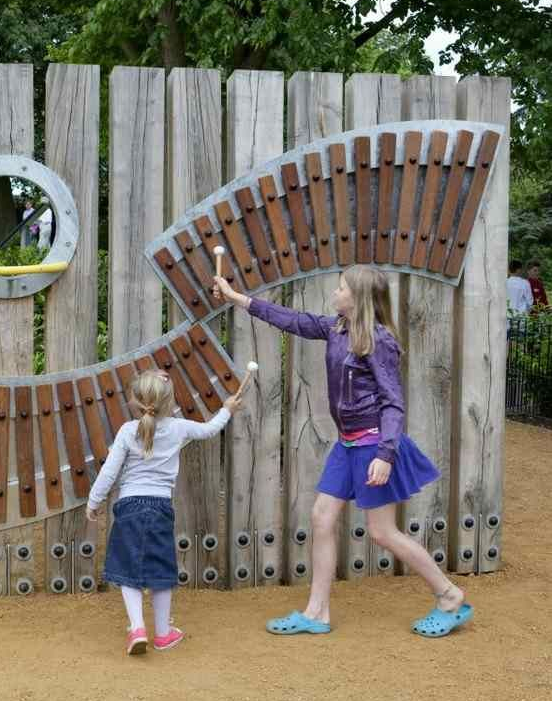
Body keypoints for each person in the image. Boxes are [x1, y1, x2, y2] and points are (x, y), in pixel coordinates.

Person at [212, 265, 473, 639]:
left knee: (382, 532)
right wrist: (237, 298)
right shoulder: (336, 328)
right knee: (321, 518)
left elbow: (393, 403)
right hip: (347, 442)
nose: (335, 294)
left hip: (371, 444)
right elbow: (293, 320)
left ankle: (449, 595)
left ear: (357, 298)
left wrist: (385, 454)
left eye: (340, 289)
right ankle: (317, 612)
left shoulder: (378, 340)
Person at [86, 370, 242, 655]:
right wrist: (227, 410)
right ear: (168, 401)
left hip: (129, 507)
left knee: (127, 569)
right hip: (159, 509)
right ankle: (163, 634)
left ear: (135, 401)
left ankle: (137, 628)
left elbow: (109, 472)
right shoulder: (179, 427)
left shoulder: (126, 431)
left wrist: (93, 502)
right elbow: (209, 430)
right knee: (161, 570)